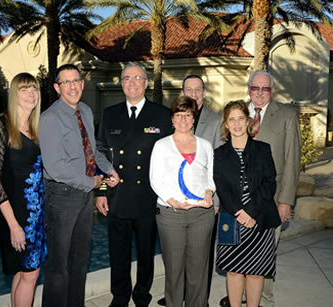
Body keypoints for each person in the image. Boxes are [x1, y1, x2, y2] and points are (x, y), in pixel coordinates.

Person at [218, 70, 301, 307]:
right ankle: (241, 296)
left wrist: (286, 201)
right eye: (255, 88)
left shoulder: (286, 115)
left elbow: (292, 159)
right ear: (249, 89)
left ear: (271, 91)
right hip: (237, 202)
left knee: (263, 259)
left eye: (265, 88)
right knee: (239, 257)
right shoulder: (239, 114)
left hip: (270, 200)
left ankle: (264, 301)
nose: (260, 93)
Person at [39, 64, 118, 307]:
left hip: (84, 196)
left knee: (80, 260)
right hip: (62, 196)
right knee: (58, 265)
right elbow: (55, 167)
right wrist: (91, 182)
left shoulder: (84, 110)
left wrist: (108, 168)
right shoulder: (49, 119)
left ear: (83, 84)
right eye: (66, 82)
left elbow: (91, 151)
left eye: (77, 81)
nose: (73, 86)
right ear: (56, 87)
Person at [95, 62, 172, 307]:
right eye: (126, 78)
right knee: (118, 253)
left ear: (146, 83)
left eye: (137, 78)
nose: (131, 82)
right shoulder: (110, 114)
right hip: (118, 195)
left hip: (147, 197)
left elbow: (170, 156)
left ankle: (141, 295)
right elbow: (101, 153)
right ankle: (120, 296)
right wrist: (100, 192)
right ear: (121, 83)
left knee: (146, 253)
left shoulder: (160, 114)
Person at [157, 74, 223, 307]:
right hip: (172, 211)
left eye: (198, 89)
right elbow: (156, 176)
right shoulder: (164, 139)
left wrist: (211, 196)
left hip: (202, 211)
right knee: (174, 267)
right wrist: (171, 200)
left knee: (199, 267)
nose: (183, 119)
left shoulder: (212, 129)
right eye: (189, 89)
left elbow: (214, 171)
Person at [214, 99, 281, 307]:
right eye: (231, 119)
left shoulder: (262, 149)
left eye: (240, 119)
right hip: (231, 219)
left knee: (255, 272)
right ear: (225, 124)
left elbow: (270, 183)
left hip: (259, 218)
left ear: (248, 121)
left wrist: (250, 212)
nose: (236, 124)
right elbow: (220, 187)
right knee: (233, 271)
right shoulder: (220, 154)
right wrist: (239, 212)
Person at [0, 73, 47, 307]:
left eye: (34, 89)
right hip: (16, 216)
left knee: (23, 274)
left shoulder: (37, 128)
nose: (31, 94)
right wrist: (13, 226)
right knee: (30, 274)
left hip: (38, 215)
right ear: (14, 94)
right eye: (24, 89)